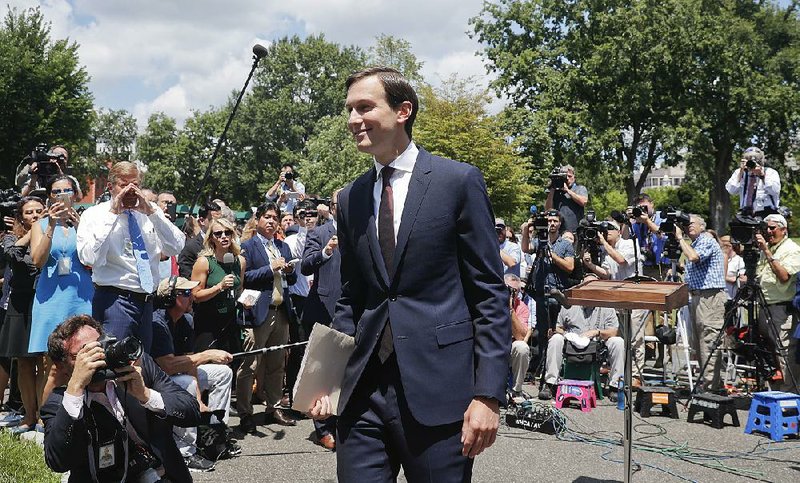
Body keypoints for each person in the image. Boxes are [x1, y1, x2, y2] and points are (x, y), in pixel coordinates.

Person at [310, 67, 509, 482]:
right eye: (349, 109)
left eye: (365, 107)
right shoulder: (351, 198)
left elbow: (489, 293)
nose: (352, 119)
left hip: (440, 393)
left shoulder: (458, 182)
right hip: (363, 394)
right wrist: (323, 379)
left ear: (403, 110)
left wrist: (488, 394)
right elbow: (352, 296)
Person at [40, 315, 201, 483]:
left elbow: (192, 411)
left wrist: (146, 395)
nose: (98, 357)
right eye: (86, 353)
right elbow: (58, 462)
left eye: (100, 345)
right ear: (62, 366)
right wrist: (76, 388)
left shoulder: (138, 367)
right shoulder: (59, 403)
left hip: (162, 474)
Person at [76, 161, 186, 353]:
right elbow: (89, 258)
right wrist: (113, 214)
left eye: (134, 184)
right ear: (110, 187)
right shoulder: (94, 215)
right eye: (123, 184)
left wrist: (152, 212)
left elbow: (176, 246)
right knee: (115, 362)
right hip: (114, 299)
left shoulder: (150, 212)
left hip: (146, 301)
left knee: (140, 365)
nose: (130, 190)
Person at [151, 277, 235, 472]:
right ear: (170, 298)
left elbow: (191, 362)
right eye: (186, 293)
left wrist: (199, 402)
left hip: (178, 374)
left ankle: (214, 434)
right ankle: (186, 452)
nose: (192, 298)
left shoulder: (187, 319)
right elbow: (167, 365)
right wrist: (206, 355)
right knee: (186, 381)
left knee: (222, 373)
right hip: (157, 379)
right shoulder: (157, 322)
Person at [29, 176, 94, 411]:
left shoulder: (87, 223)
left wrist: (79, 228)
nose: (63, 194)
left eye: (68, 189)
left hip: (81, 298)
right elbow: (38, 261)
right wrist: (52, 225)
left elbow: (94, 261)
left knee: (82, 356)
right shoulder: (42, 225)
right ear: (50, 197)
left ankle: (76, 411)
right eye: (57, 191)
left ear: (76, 195)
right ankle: (43, 417)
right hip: (51, 299)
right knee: (49, 363)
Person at [236, 202, 298, 433]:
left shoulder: (283, 246)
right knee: (250, 364)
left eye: (275, 218)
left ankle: (273, 408)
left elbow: (291, 280)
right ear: (258, 219)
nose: (271, 221)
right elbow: (245, 277)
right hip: (258, 312)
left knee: (277, 364)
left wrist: (290, 271)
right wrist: (270, 268)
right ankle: (245, 413)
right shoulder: (248, 247)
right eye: (267, 217)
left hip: (281, 312)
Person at [0, 197, 45, 435]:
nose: (35, 215)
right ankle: (29, 414)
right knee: (24, 363)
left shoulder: (52, 232)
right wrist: (35, 231)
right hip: (19, 301)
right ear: (21, 217)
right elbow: (13, 255)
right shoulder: (10, 236)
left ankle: (43, 416)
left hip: (43, 300)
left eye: (39, 211)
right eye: (29, 212)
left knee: (42, 360)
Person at [301, 189, 342, 451]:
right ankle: (323, 428)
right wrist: (326, 252)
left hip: (355, 310)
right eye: (340, 203)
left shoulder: (363, 228)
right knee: (322, 371)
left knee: (345, 370)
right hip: (324, 309)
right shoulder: (319, 233)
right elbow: (305, 266)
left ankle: (343, 421)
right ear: (331, 207)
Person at [540, 286, 624, 400]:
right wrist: (563, 333)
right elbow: (559, 327)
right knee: (555, 339)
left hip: (597, 344)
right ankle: (550, 383)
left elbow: (613, 331)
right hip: (571, 342)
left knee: (618, 341)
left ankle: (615, 386)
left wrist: (597, 332)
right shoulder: (569, 305)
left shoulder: (607, 307)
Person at [675, 215, 726, 391]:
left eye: (691, 224)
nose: (688, 227)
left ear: (702, 226)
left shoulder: (706, 240)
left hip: (710, 297)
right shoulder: (695, 243)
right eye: (686, 225)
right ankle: (710, 384)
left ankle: (710, 389)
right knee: (699, 344)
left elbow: (694, 257)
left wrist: (680, 239)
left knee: (708, 342)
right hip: (698, 297)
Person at [528, 210, 575, 386]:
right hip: (540, 294)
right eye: (549, 220)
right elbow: (526, 248)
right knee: (541, 334)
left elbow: (569, 267)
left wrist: (551, 254)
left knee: (555, 334)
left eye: (555, 221)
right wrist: (527, 228)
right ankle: (539, 368)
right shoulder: (539, 242)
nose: (552, 223)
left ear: (559, 224)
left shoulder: (565, 244)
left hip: (557, 294)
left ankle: (553, 370)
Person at [754, 213, 800, 390]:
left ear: (784, 229)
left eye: (772, 228)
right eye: (766, 228)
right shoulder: (771, 247)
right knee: (768, 352)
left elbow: (783, 277)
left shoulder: (791, 249)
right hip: (765, 307)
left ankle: (790, 393)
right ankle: (775, 391)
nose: (768, 231)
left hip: (782, 310)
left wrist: (766, 251)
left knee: (784, 353)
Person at [190, 217, 245, 354]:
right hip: (208, 322)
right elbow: (195, 295)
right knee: (209, 365)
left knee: (232, 362)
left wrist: (245, 300)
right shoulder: (204, 262)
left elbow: (239, 288)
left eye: (228, 232)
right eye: (218, 234)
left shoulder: (240, 261)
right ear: (211, 238)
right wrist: (219, 287)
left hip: (231, 321)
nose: (224, 237)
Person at [725, 146, 780, 217]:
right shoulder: (739, 172)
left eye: (756, 159)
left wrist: (762, 176)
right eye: (748, 159)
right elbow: (731, 190)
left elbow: (775, 191)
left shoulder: (770, 172)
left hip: (766, 213)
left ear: (761, 160)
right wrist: (741, 172)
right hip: (746, 213)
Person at [18, 145, 84, 199]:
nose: (59, 161)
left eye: (63, 158)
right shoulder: (37, 175)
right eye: (56, 156)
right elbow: (23, 198)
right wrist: (33, 179)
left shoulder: (70, 179)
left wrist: (61, 176)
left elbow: (79, 198)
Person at [178, 201, 222, 278]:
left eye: (220, 220)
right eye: (214, 220)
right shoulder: (191, 247)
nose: (219, 224)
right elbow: (186, 275)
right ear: (202, 221)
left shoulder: (224, 243)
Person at [506, 274, 532, 396]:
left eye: (515, 291)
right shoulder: (490, 301)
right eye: (508, 289)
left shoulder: (522, 307)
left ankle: (516, 390)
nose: (512, 293)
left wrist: (510, 310)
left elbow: (521, 337)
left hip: (510, 346)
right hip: (491, 344)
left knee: (522, 347)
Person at [544, 165, 588, 233]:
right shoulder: (555, 191)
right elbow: (548, 209)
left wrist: (567, 191)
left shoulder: (580, 188)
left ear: (574, 177)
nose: (567, 179)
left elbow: (583, 202)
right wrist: (552, 188)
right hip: (559, 231)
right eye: (565, 177)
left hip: (575, 230)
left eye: (570, 176)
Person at [720, 235, 746, 300]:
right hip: (720, 298)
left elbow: (741, 279)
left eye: (722, 246)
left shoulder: (739, 261)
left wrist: (722, 277)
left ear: (730, 246)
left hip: (732, 299)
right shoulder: (719, 259)